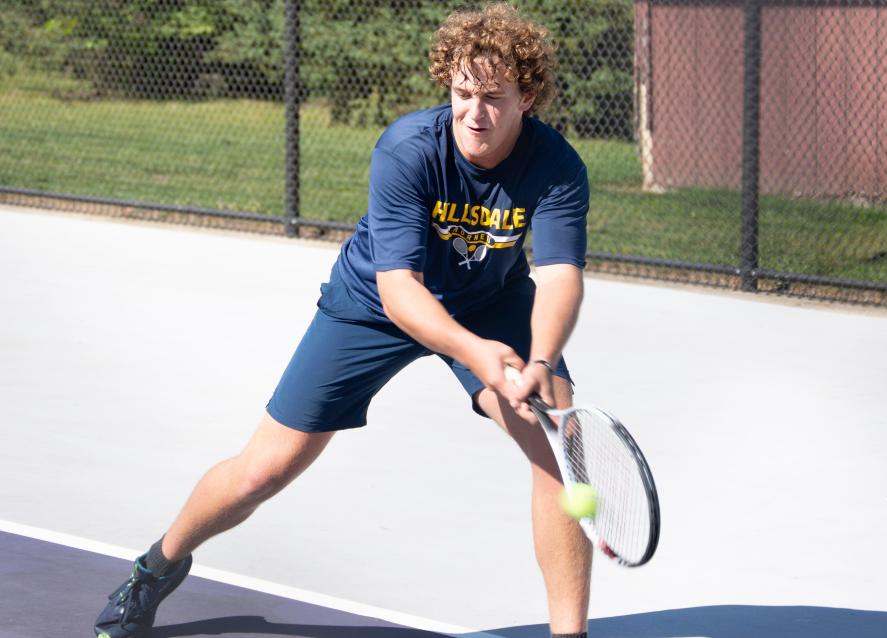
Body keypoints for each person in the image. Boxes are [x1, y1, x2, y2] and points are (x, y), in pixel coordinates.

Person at [94, 3, 592, 637]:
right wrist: (476, 354)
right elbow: (399, 291)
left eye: (493, 96)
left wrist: (541, 359)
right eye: (463, 92)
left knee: (557, 442)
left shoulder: (556, 165)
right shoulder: (409, 148)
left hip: (492, 301)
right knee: (262, 472)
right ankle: (156, 565)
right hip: (373, 304)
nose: (474, 112)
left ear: (529, 97)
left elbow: (559, 278)